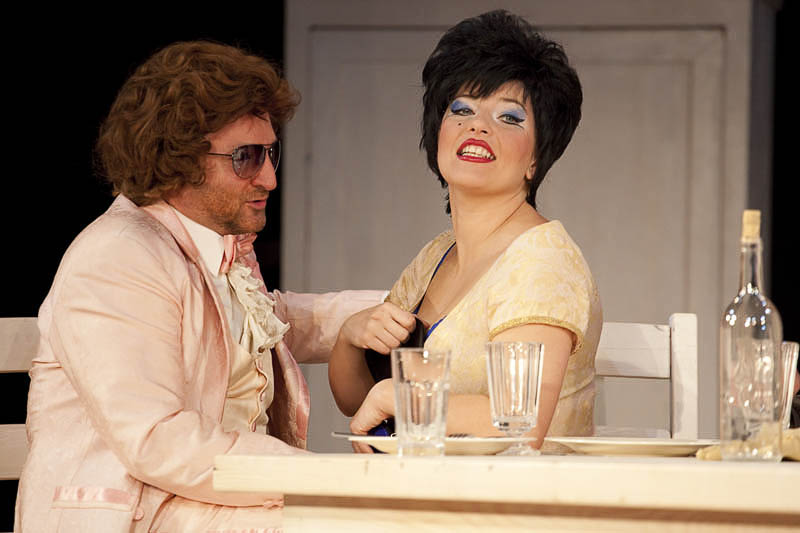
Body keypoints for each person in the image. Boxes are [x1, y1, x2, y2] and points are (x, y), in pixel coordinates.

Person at [15, 41, 381, 532]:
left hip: (201, 503)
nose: (270, 178)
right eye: (246, 158)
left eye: (270, 153)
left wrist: (410, 304)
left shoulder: (209, 244)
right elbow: (158, 441)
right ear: (179, 158)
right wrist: (328, 478)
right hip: (134, 513)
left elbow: (268, 324)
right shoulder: (117, 257)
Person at [329, 10, 602, 452]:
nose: (477, 125)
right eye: (462, 109)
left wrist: (399, 398)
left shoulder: (542, 259)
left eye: (509, 117)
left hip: (520, 491)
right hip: (420, 483)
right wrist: (348, 337)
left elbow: (523, 421)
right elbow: (359, 401)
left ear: (537, 158)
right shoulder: (437, 255)